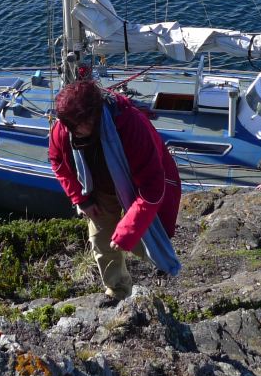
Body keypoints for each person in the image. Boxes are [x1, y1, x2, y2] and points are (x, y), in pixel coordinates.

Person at [47, 79, 181, 304]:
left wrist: (128, 230)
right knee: (101, 242)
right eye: (67, 125)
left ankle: (162, 264)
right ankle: (118, 290)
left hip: (133, 187)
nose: (70, 132)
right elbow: (57, 160)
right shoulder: (66, 126)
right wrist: (81, 199)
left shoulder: (130, 125)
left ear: (93, 115)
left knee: (146, 238)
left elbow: (152, 187)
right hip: (98, 190)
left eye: (75, 126)